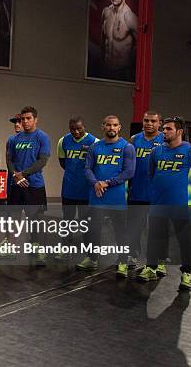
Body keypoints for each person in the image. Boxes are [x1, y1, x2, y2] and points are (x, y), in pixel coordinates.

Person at [137, 116, 191, 290]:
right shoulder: (156, 152)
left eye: (168, 129)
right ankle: (151, 268)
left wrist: (187, 195)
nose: (164, 132)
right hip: (158, 204)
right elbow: (151, 174)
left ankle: (186, 274)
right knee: (154, 238)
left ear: (179, 132)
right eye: (165, 128)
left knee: (185, 241)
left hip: (181, 205)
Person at [79, 115, 135, 278]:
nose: (112, 128)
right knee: (92, 230)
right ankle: (92, 258)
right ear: (103, 127)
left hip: (116, 198)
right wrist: (96, 183)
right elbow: (87, 168)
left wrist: (107, 183)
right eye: (108, 125)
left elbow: (129, 172)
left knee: (120, 231)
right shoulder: (95, 147)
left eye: (115, 125)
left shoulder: (127, 147)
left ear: (119, 127)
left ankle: (123, 261)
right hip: (96, 196)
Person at [5, 106, 51, 265]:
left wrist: (22, 174)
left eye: (28, 118)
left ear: (35, 119)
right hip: (15, 184)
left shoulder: (42, 137)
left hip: (34, 185)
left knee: (36, 219)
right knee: (13, 217)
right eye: (23, 119)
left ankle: (37, 248)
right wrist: (15, 176)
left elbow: (42, 161)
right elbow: (9, 160)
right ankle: (10, 246)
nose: (25, 121)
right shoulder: (13, 139)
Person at [56, 117, 98, 256]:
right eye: (72, 129)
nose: (76, 132)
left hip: (86, 189)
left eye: (79, 128)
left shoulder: (94, 142)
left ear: (84, 127)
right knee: (67, 219)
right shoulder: (63, 141)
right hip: (69, 187)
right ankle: (65, 248)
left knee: (86, 221)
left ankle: (89, 253)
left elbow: (96, 165)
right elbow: (63, 162)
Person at [127, 111, 164, 266]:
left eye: (153, 121)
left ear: (159, 123)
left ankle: (159, 258)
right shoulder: (134, 139)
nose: (149, 123)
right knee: (134, 228)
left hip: (158, 194)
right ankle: (132, 256)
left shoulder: (165, 139)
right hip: (137, 192)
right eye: (146, 120)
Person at [100, 0, 138, 79]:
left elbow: (143, 47)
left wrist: (129, 67)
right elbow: (102, 42)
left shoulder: (129, 17)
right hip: (105, 71)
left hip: (122, 74)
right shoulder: (106, 12)